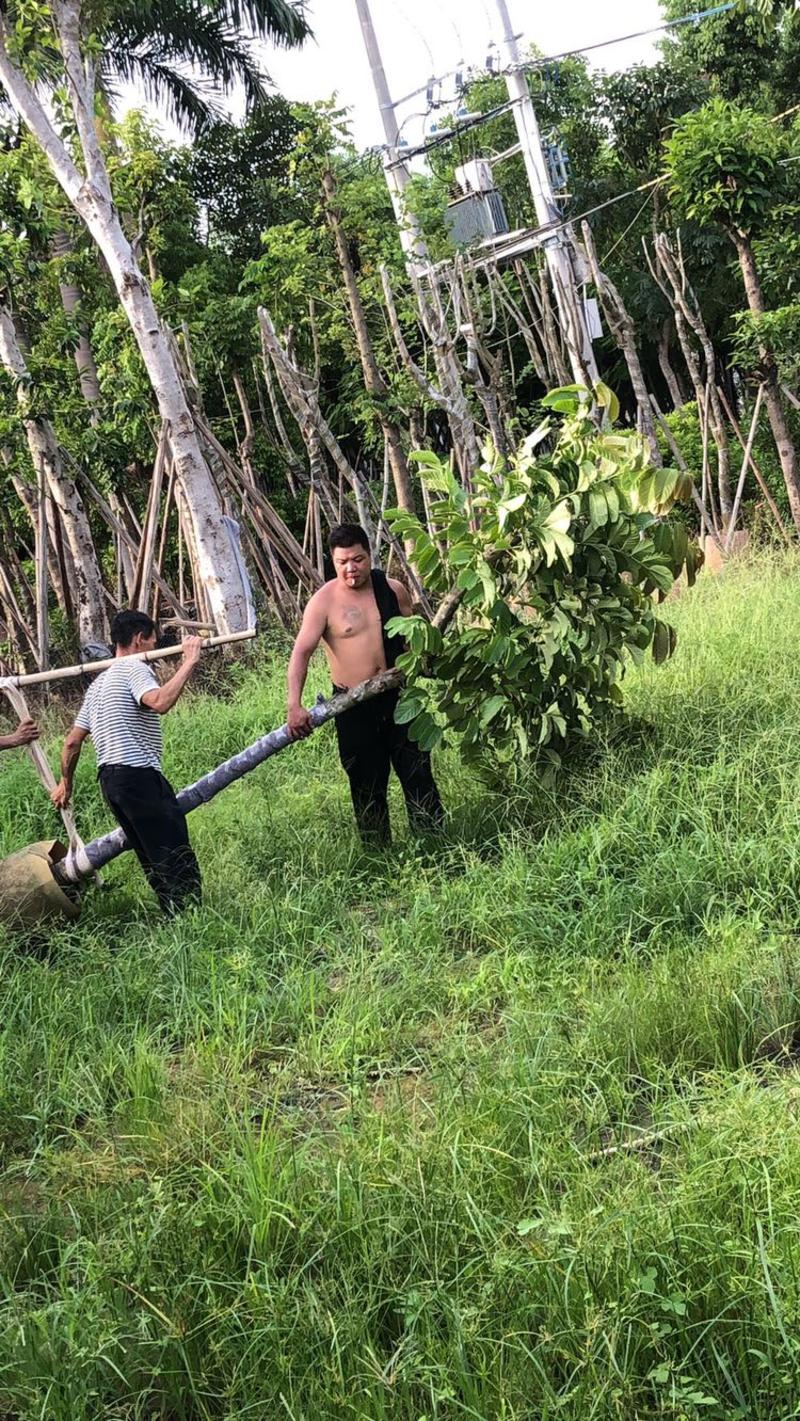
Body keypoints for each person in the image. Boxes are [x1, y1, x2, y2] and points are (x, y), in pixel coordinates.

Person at [287, 523, 444, 846]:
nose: (351, 568)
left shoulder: (392, 588)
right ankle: (378, 854)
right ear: (333, 562)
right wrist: (294, 704)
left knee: (417, 774)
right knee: (365, 784)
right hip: (353, 705)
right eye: (342, 562)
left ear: (369, 556)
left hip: (400, 697)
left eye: (357, 559)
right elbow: (301, 653)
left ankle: (435, 843)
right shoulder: (323, 602)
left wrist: (423, 661)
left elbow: (417, 637)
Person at [51, 609, 203, 915]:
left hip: (111, 783)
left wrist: (65, 782)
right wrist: (189, 661)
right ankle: (192, 917)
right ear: (138, 639)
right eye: (152, 642)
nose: (153, 649)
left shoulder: (97, 685)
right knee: (172, 849)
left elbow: (71, 742)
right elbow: (159, 702)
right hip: (137, 775)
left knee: (150, 852)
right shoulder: (133, 667)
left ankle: (175, 916)